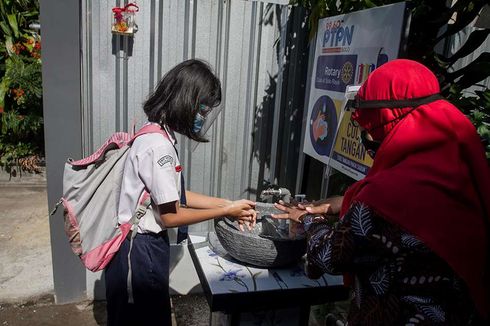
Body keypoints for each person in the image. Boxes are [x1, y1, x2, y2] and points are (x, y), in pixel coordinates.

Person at [273, 59, 490, 325]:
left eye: (370, 130)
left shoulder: (385, 197)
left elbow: (330, 255)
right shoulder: (460, 163)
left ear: (388, 119)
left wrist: (305, 219)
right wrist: (344, 202)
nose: (370, 139)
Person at [105, 59, 256, 326]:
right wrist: (225, 211)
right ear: (185, 101)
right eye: (202, 109)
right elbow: (170, 216)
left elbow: (177, 197)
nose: (203, 117)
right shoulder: (159, 147)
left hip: (138, 248)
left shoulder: (153, 133)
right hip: (140, 252)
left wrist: (229, 203)